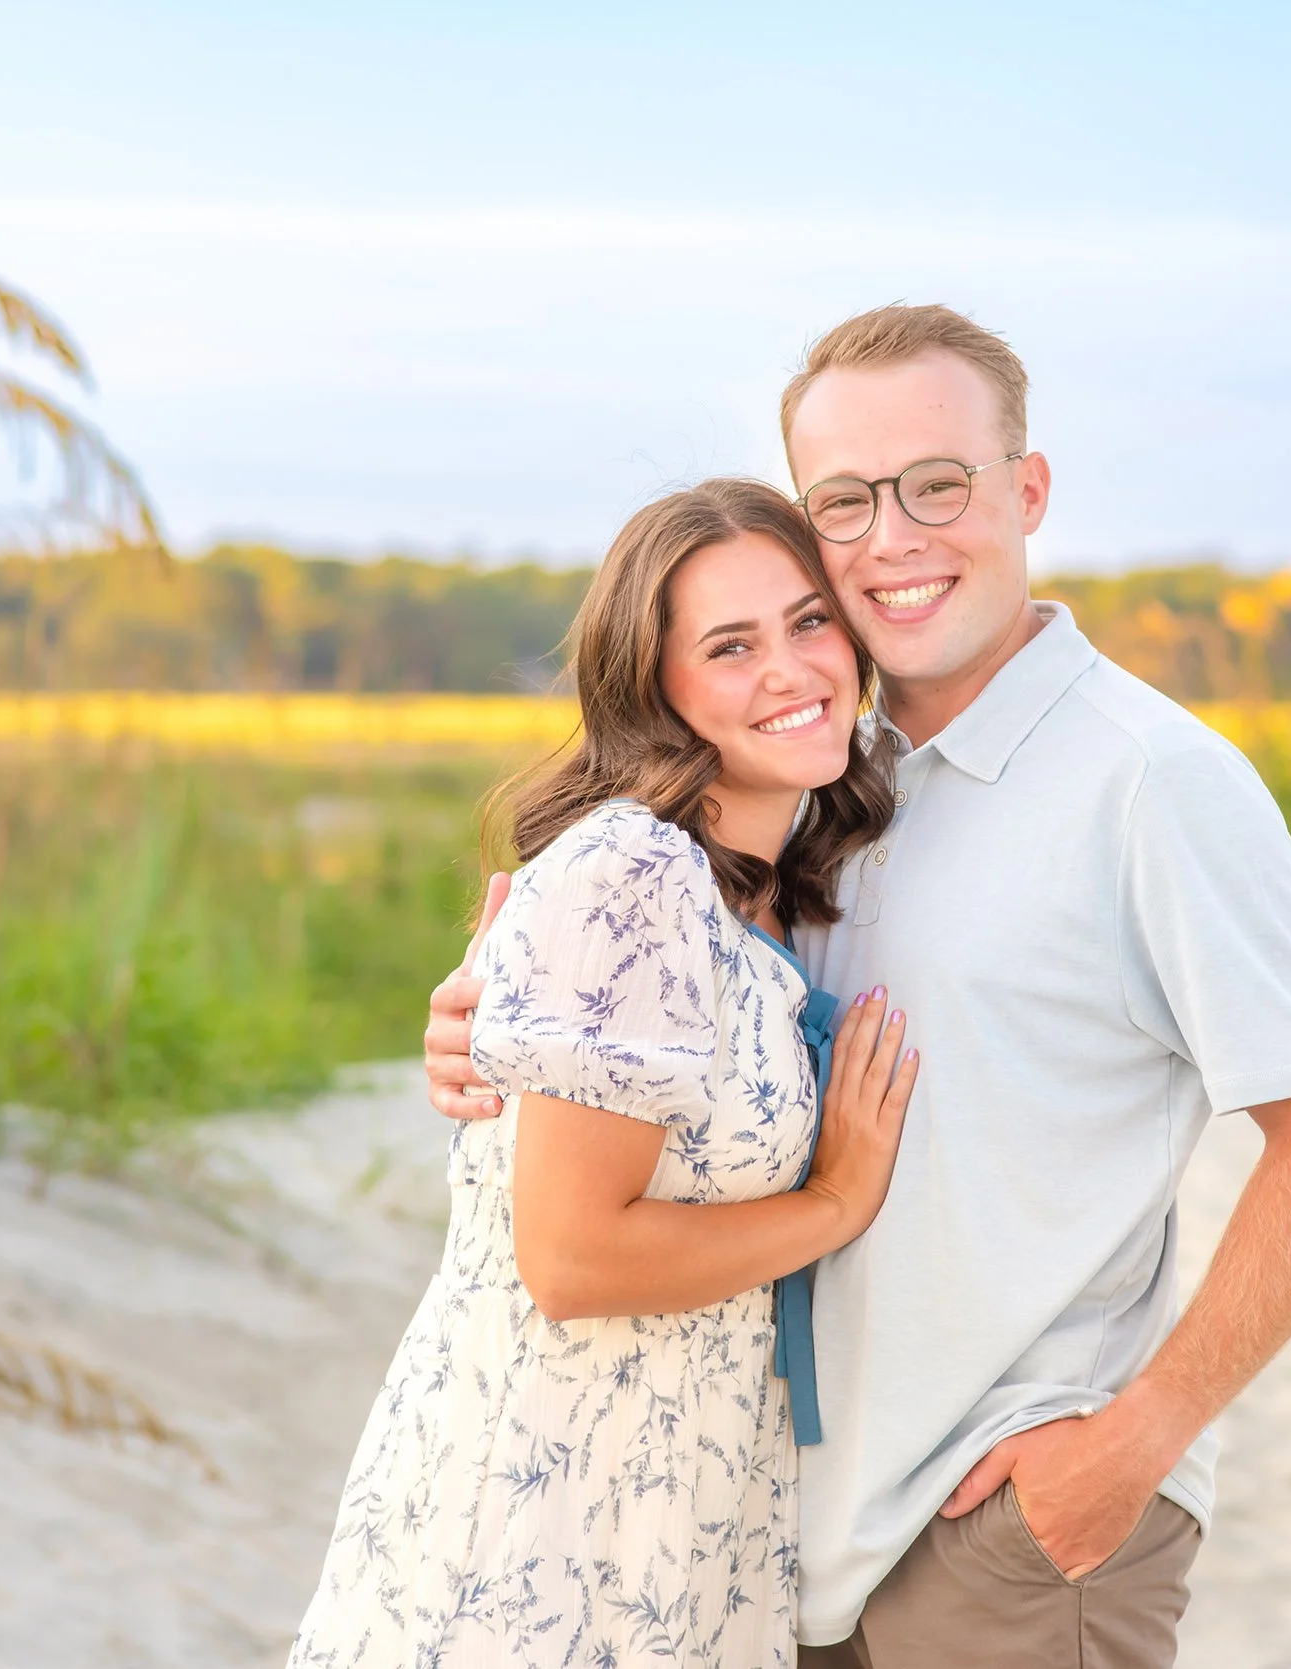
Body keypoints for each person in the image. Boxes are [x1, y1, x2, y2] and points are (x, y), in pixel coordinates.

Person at [423, 306, 1291, 1669]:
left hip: (1009, 1521)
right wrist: (480, 1021)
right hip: (779, 1533)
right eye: (846, 502)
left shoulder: (1151, 781)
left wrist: (1136, 1445)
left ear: (1028, 490)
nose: (895, 537)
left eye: (939, 483)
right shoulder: (822, 779)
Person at [290, 478, 920, 1668]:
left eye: (808, 621)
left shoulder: (769, 892)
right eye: (730, 645)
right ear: (655, 686)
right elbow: (572, 1260)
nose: (789, 668)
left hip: (681, 1529)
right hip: (539, 1530)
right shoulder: (635, 872)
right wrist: (834, 1202)